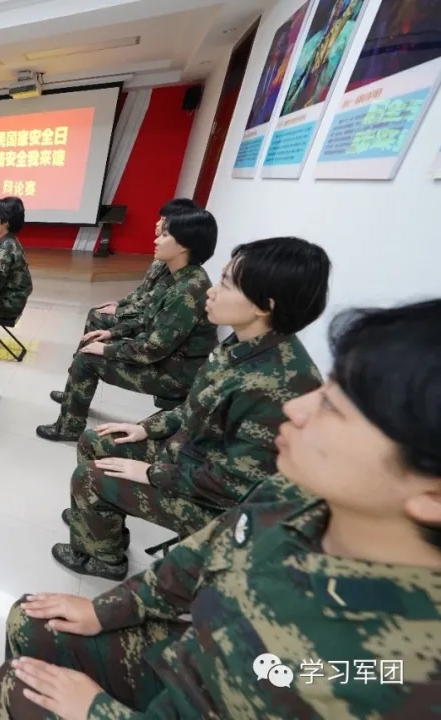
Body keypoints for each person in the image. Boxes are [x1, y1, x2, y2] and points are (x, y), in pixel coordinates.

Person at [0, 298, 441, 720]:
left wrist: (97, 711)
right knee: (31, 619)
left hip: (208, 686)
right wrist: (106, 610)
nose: (297, 408)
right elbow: (197, 557)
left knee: (19, 690)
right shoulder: (298, 494)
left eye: (336, 409)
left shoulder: (394, 674)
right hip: (200, 654)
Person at [57, 237, 331, 579]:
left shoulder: (280, 384)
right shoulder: (245, 343)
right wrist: (146, 428)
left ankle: (104, 561)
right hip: (192, 458)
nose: (211, 292)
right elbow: (199, 404)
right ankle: (100, 531)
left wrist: (152, 473)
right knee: (95, 440)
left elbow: (237, 485)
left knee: (90, 477)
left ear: (265, 305)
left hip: (216, 502)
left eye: (226, 284)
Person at [38, 209, 219, 443]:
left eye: (165, 235)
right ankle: (74, 403)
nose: (157, 239)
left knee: (87, 359)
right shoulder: (176, 277)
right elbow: (146, 318)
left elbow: (153, 349)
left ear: (184, 246)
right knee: (94, 341)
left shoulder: (187, 291)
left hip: (176, 374)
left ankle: (69, 427)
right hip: (167, 359)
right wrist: (112, 332)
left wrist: (107, 349)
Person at [85, 198, 198, 335]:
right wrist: (120, 304)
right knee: (97, 313)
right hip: (146, 318)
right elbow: (143, 290)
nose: (158, 223)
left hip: (149, 324)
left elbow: (151, 308)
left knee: (97, 317)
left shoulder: (182, 275)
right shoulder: (163, 258)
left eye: (163, 220)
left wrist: (119, 313)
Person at [0, 196, 33, 322]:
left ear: (6, 222)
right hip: (11, 300)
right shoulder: (11, 240)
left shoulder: (7, 246)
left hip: (7, 306)